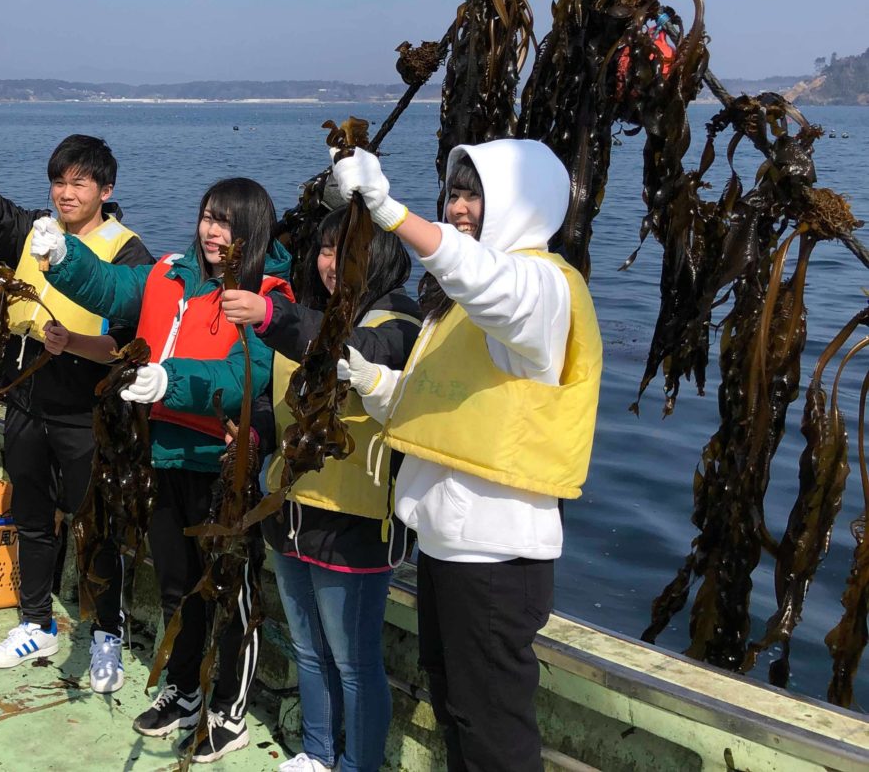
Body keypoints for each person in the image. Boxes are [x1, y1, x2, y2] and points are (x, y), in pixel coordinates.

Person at [331, 140, 602, 772]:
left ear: (520, 203)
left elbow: (487, 281)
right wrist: (373, 382)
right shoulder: (454, 309)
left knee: (493, 734)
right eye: (453, 193)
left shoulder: (541, 286)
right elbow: (438, 406)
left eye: (475, 195)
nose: (458, 208)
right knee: (456, 710)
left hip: (496, 560)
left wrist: (392, 212)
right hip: (445, 547)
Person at [33, 177, 290, 763]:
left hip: (221, 468)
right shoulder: (168, 273)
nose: (213, 232)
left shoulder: (266, 294)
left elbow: (242, 377)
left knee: (232, 594)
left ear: (252, 231)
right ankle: (184, 689)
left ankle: (229, 709)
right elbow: (111, 287)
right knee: (177, 584)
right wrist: (64, 256)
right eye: (208, 217)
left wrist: (171, 381)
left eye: (228, 223)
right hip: (161, 454)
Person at [0, 122, 153, 693]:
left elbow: (130, 344)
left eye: (79, 184)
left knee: (96, 525)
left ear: (106, 189)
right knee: (31, 516)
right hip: (25, 399)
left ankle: (107, 633)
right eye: (58, 183)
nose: (66, 194)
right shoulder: (33, 232)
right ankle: (36, 623)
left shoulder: (128, 251)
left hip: (87, 409)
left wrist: (75, 344)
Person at [220, 207, 421, 772]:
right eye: (327, 251)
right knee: (308, 649)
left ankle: (358, 764)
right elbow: (278, 401)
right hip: (288, 511)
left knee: (354, 662)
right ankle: (317, 751)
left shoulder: (400, 323)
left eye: (349, 251)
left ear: (381, 256)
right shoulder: (316, 312)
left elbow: (358, 349)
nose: (333, 264)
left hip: (356, 522)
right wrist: (254, 430)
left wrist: (271, 313)